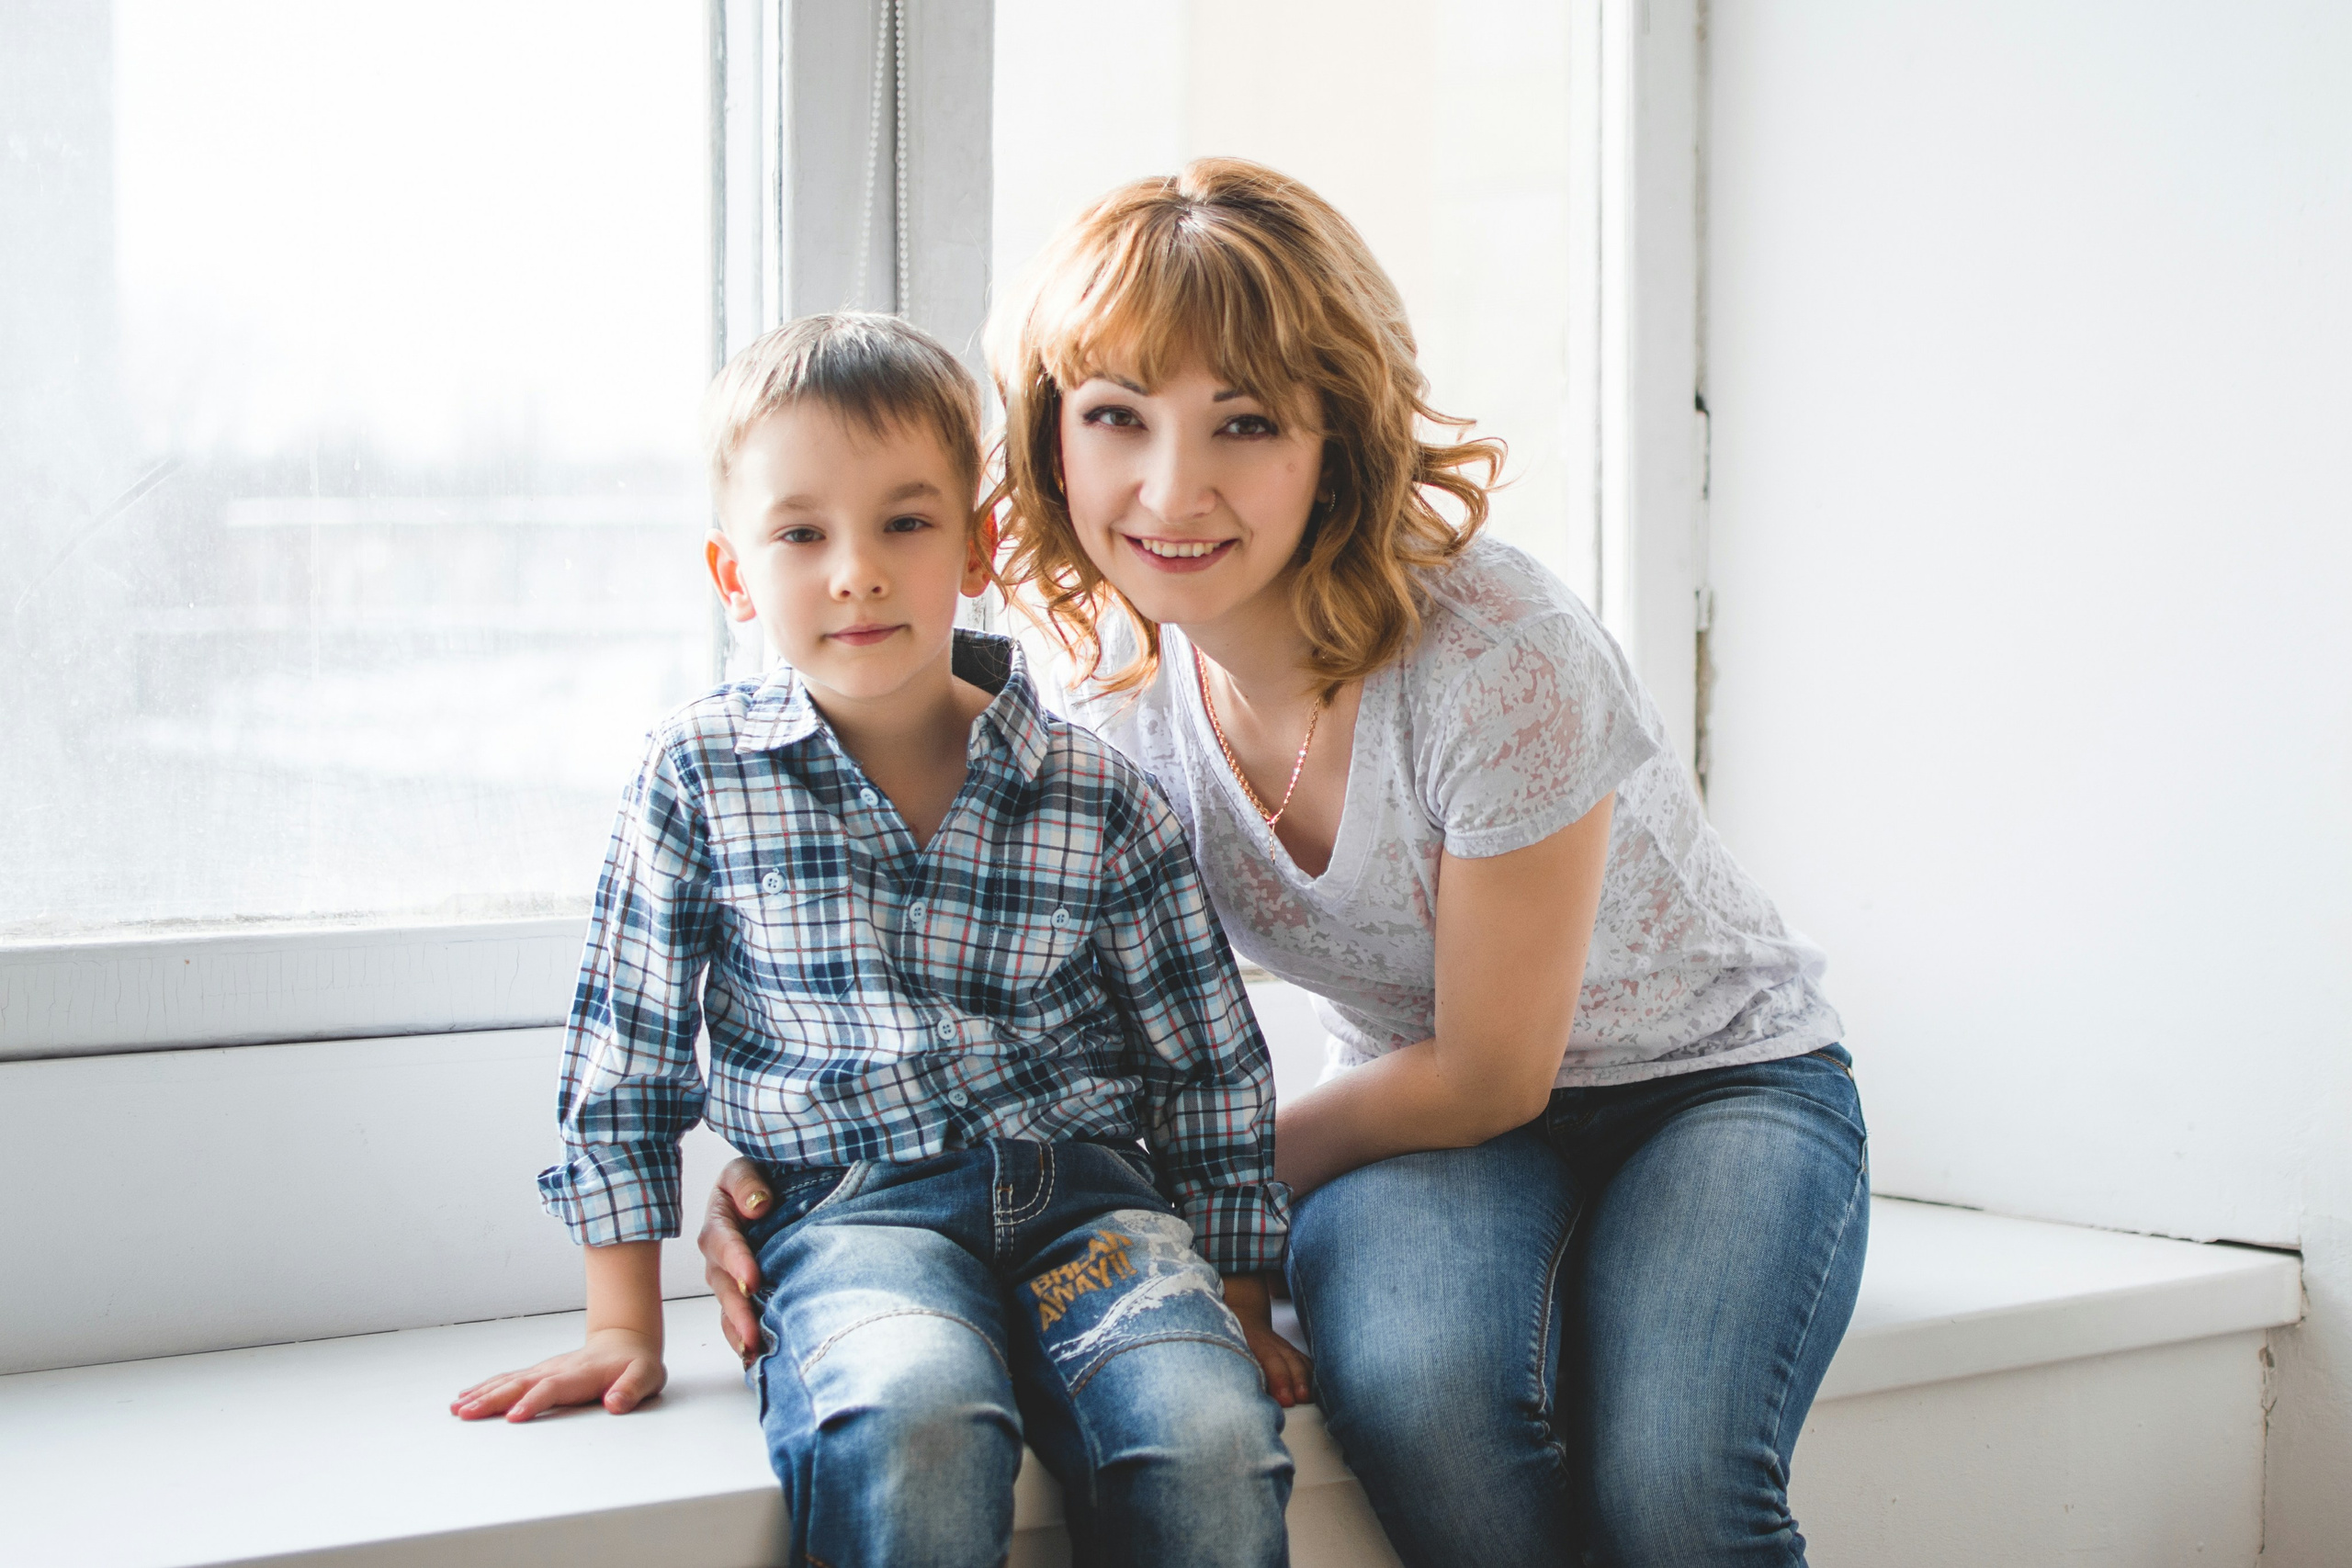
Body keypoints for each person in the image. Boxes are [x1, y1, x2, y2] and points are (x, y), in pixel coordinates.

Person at [701, 164, 1871, 1567]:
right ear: (1051, 439)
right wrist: (827, 1175)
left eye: (1244, 423)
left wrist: (1151, 1171)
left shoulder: (1497, 650)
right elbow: (969, 995)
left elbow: (1494, 1071)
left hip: (1713, 1086)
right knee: (1427, 1405)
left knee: (1674, 1486)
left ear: (1338, 442)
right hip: (1409, 1104)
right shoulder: (1098, 698)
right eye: (1117, 417)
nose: (1171, 488)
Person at [451, 312, 1308, 1568]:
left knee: (1208, 1439)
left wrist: (1236, 1295)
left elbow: (1207, 1063)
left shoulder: (1097, 792)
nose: (855, 571)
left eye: (905, 524)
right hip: (852, 1220)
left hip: (1090, 1212)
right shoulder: (698, 778)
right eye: (802, 535)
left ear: (978, 545)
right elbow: (626, 1055)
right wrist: (621, 1324)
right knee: (915, 1421)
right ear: (733, 571)